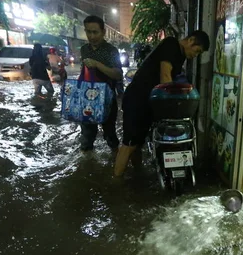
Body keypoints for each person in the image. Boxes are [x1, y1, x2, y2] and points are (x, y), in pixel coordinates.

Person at [113, 30, 210, 177]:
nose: (195, 55)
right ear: (191, 40)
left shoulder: (180, 56)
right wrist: (172, 109)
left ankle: (136, 177)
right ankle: (116, 183)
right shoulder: (171, 44)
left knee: (137, 144)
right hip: (137, 100)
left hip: (149, 102)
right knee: (129, 144)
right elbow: (165, 76)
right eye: (197, 51)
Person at [79, 15, 123, 152]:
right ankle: (86, 164)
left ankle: (115, 159)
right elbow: (83, 72)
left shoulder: (111, 51)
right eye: (88, 32)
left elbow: (118, 74)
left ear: (103, 32)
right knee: (87, 135)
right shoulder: (84, 49)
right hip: (88, 99)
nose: (91, 36)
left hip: (107, 99)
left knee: (110, 133)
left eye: (95, 32)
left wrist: (97, 64)